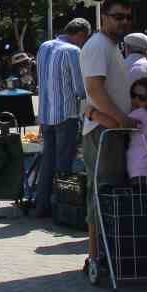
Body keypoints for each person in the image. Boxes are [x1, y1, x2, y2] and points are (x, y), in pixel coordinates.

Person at [82, 0, 136, 266]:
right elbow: (94, 90)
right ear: (104, 17)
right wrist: (121, 119)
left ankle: (105, 253)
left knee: (110, 192)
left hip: (111, 129)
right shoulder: (98, 45)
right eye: (118, 16)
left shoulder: (112, 45)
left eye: (127, 17)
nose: (124, 21)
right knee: (102, 193)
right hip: (103, 132)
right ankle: (96, 256)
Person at [33, 19, 89, 218]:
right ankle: (60, 207)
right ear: (81, 34)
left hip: (46, 114)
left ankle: (41, 206)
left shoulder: (44, 46)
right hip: (66, 114)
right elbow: (80, 89)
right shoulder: (72, 51)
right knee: (63, 163)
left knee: (48, 160)